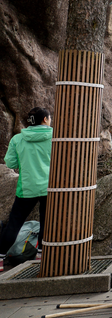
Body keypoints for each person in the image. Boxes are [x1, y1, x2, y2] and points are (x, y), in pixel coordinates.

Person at [0, 107, 52, 270]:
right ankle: (40, 255)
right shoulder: (55, 137)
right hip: (49, 188)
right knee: (46, 222)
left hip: (27, 187)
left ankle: (0, 257)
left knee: (14, 224)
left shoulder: (18, 139)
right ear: (45, 120)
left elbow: (10, 163)